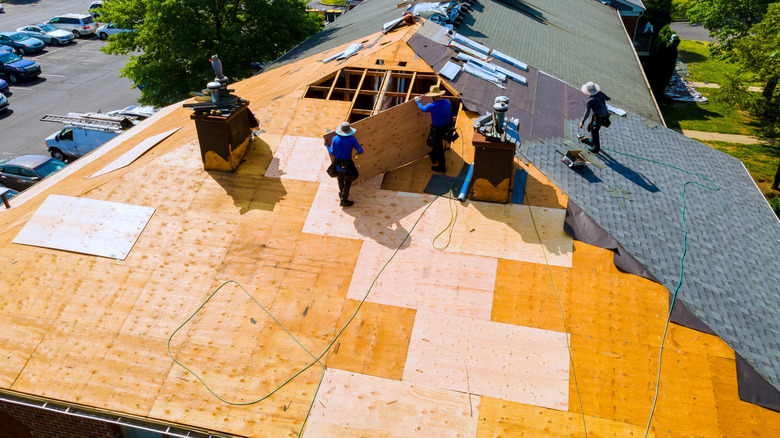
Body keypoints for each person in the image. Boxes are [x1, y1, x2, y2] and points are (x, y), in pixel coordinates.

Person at [416, 85, 453, 172]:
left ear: (432, 96)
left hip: (437, 129)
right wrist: (452, 127)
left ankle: (442, 167)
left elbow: (422, 108)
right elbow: (451, 115)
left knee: (438, 146)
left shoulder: (432, 106)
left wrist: (417, 101)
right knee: (437, 144)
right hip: (446, 127)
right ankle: (433, 156)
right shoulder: (447, 102)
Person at [327, 122, 364, 207]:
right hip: (347, 163)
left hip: (337, 163)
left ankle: (341, 194)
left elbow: (332, 152)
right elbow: (360, 151)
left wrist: (328, 146)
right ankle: (343, 200)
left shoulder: (335, 139)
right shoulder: (352, 139)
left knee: (340, 178)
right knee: (348, 181)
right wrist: (358, 150)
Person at [578, 81, 611, 154]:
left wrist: (582, 122)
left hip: (599, 117)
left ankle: (596, 148)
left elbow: (587, 112)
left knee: (594, 130)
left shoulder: (590, 101)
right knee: (594, 127)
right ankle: (592, 140)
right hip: (606, 115)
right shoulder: (601, 93)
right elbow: (608, 98)